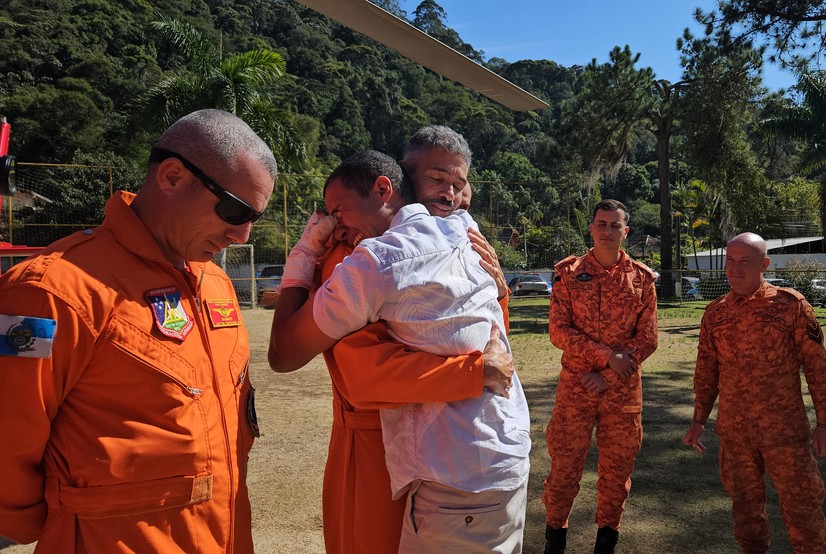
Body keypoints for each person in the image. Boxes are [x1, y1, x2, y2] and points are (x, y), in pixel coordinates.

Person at [0, 109, 276, 552]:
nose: (241, 235)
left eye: (253, 218)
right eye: (234, 210)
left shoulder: (216, 283)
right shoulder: (52, 291)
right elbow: (8, 442)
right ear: (170, 177)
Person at [269, 149, 530, 553]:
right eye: (436, 181)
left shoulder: (459, 241)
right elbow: (363, 372)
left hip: (431, 456)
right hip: (385, 446)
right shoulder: (356, 254)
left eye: (458, 186)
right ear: (398, 185)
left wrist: (500, 293)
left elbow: (494, 346)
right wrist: (474, 370)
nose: (450, 196)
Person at [683, 232, 826, 553]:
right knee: (746, 519)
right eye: (729, 261)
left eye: (745, 262)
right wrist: (698, 420)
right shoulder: (715, 314)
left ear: (764, 264)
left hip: (784, 433)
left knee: (804, 518)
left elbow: (818, 368)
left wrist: (825, 424)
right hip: (735, 435)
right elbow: (706, 373)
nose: (734, 270)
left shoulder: (790, 306)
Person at [542, 199, 659, 554]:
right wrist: (605, 355)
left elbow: (648, 338)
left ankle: (606, 541)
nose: (607, 231)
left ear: (626, 231)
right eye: (601, 224)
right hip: (576, 389)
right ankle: (554, 539)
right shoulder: (568, 272)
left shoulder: (642, 279)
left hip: (622, 392)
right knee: (564, 467)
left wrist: (608, 375)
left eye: (614, 225)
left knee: (616, 473)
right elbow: (558, 331)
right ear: (591, 228)